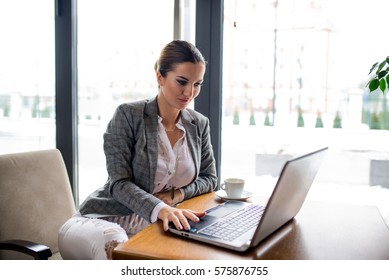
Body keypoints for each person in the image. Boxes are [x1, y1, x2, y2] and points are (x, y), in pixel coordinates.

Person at [58, 40, 218, 259]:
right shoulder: (128, 115)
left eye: (197, 84)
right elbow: (119, 184)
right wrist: (160, 208)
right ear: (160, 77)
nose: (190, 92)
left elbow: (210, 178)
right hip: (100, 221)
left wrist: (178, 194)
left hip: (152, 225)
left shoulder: (198, 124)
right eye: (182, 81)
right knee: (116, 243)